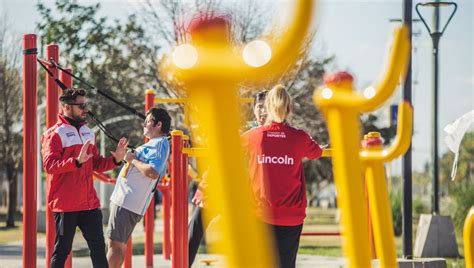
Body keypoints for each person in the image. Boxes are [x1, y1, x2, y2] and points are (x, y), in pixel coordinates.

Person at [41, 88, 128, 268]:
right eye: (81, 106)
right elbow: (49, 166)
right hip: (65, 205)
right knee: (62, 250)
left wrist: (115, 160)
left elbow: (96, 163)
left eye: (85, 105)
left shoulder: (89, 132)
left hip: (90, 204)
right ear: (66, 107)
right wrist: (76, 161)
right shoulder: (54, 133)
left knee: (98, 248)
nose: (85, 109)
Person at [241, 84, 323, 268]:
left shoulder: (254, 136)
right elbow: (316, 152)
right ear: (289, 108)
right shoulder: (299, 137)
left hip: (260, 213)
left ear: (268, 107)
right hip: (291, 215)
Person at [187, 90, 268, 267]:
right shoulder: (246, 131)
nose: (263, 112)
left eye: (267, 108)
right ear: (254, 109)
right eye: (260, 107)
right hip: (218, 185)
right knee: (195, 228)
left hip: (245, 193)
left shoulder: (273, 135)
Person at [107, 107, 171, 268]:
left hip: (127, 201)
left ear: (158, 125)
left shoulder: (159, 144)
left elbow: (153, 172)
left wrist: (132, 160)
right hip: (127, 200)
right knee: (118, 245)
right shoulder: (155, 144)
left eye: (147, 121)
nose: (144, 124)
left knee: (115, 245)